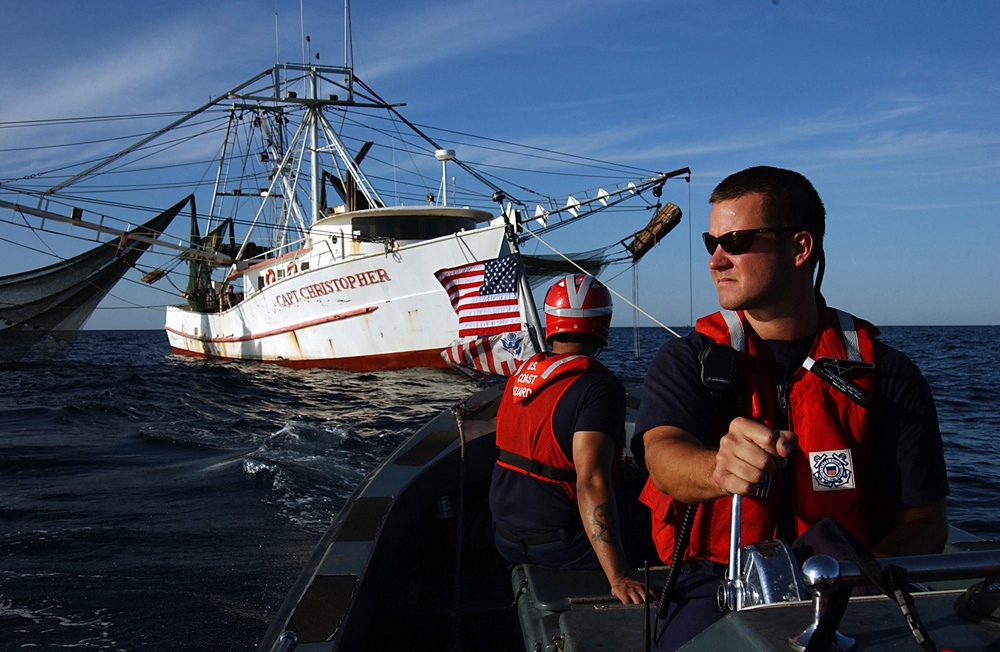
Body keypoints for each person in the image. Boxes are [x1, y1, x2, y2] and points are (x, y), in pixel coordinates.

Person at [632, 166, 949, 649]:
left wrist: (859, 577)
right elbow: (662, 454)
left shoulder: (886, 373)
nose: (716, 260)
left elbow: (926, 524)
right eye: (710, 242)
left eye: (735, 241)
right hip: (715, 580)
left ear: (800, 248)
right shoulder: (688, 358)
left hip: (846, 582)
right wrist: (719, 467)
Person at [489, 273, 646, 605]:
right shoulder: (598, 387)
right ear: (603, 322)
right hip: (562, 546)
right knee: (672, 510)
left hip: (503, 539)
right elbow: (590, 482)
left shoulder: (521, 374)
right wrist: (618, 577)